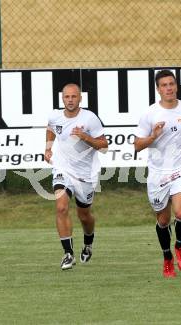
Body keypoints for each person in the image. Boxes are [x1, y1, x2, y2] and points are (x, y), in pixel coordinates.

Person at [134, 70, 181, 278]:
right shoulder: (150, 114)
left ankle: (179, 246)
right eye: (164, 85)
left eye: (171, 84)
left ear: (176, 86)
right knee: (163, 221)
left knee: (180, 213)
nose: (169, 88)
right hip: (157, 173)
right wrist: (153, 135)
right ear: (158, 89)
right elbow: (137, 146)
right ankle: (167, 258)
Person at [45, 83, 108, 270]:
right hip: (62, 169)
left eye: (74, 97)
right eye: (67, 97)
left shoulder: (90, 119)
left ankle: (88, 244)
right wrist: (48, 148)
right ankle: (68, 254)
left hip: (85, 175)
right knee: (61, 207)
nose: (70, 100)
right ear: (62, 98)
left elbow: (104, 146)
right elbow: (50, 128)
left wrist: (85, 137)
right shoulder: (55, 116)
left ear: (80, 98)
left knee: (84, 215)